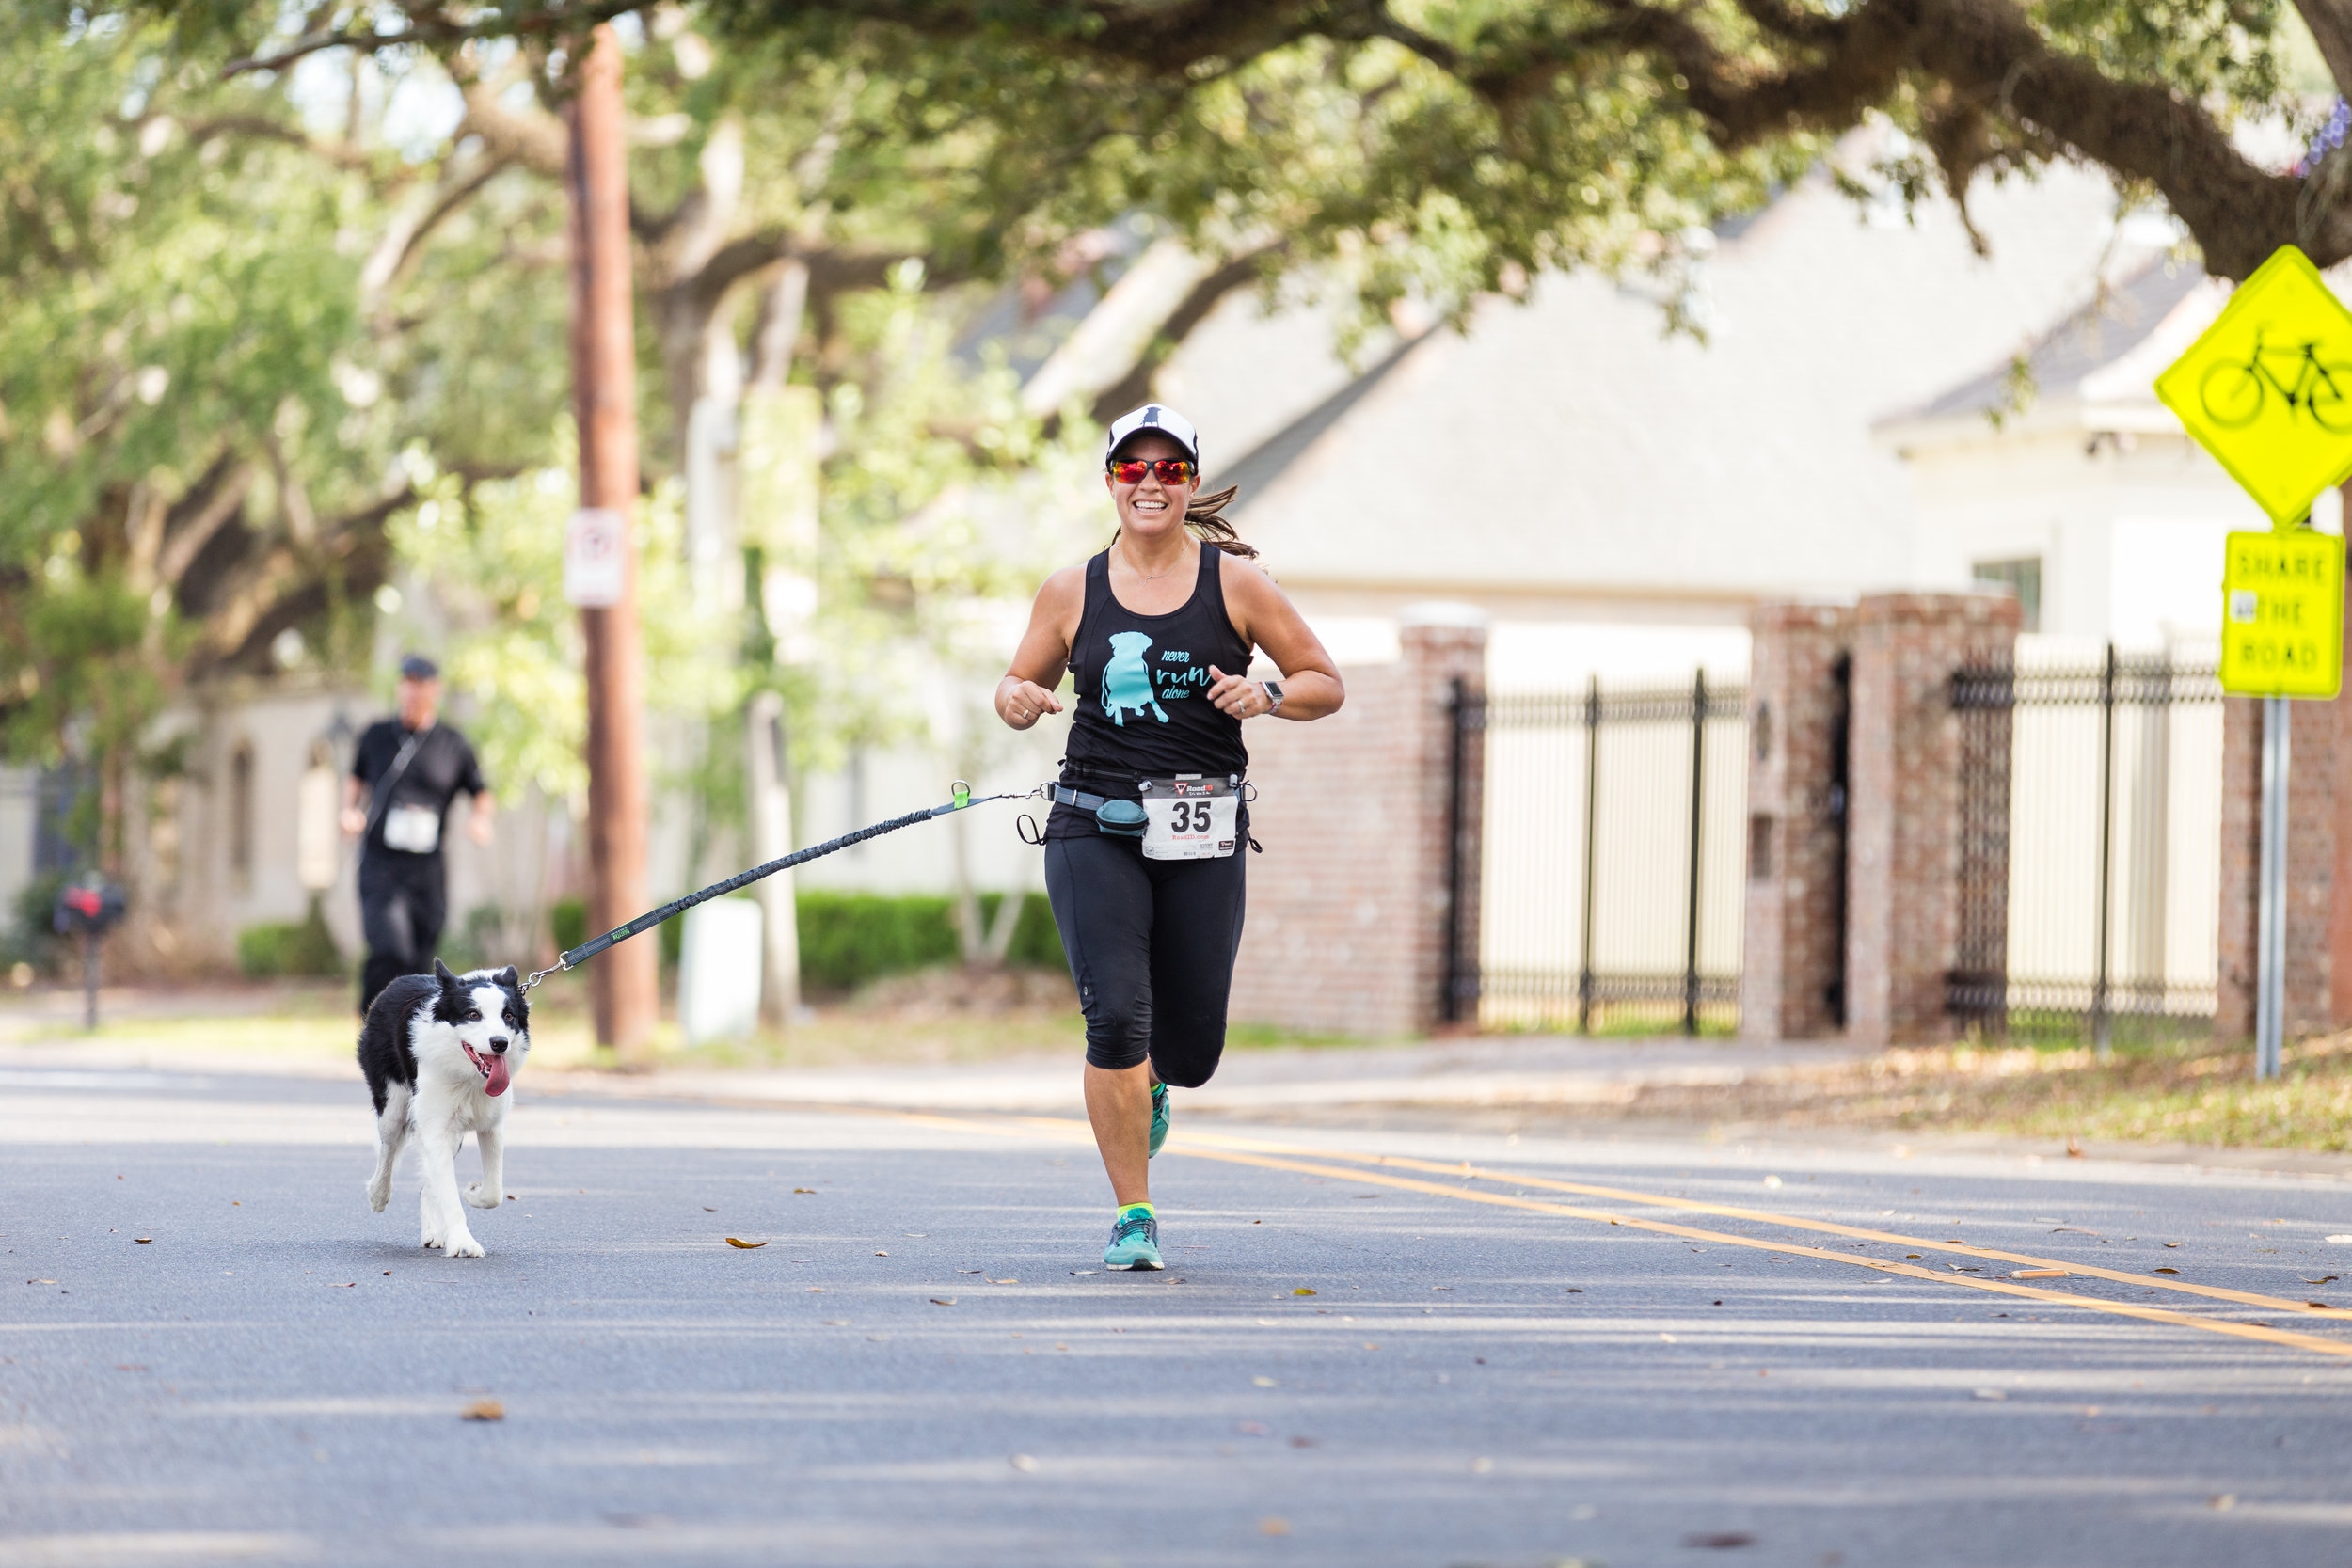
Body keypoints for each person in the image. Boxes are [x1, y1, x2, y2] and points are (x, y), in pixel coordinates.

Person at [997, 404, 1343, 1270]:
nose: (1149, 483)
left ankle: (1153, 1083)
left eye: (1168, 469)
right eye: (1131, 469)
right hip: (1092, 822)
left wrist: (1265, 696)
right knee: (1115, 1015)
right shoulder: (1072, 588)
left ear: (1190, 482)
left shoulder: (1236, 584)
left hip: (1202, 829)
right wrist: (1018, 700)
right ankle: (1134, 1213)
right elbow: (1016, 682)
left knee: (1189, 1050)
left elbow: (1323, 681)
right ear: (1111, 481)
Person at [342, 655, 495, 1014]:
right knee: (389, 947)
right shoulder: (377, 735)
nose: (413, 692)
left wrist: (480, 819)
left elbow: (481, 792)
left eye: (421, 685)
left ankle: (406, 1030)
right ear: (400, 689)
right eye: (407, 684)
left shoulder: (453, 744)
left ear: (435, 690)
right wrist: (349, 810)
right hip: (381, 863)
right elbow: (356, 780)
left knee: (419, 953)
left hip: (427, 868)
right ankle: (372, 1019)